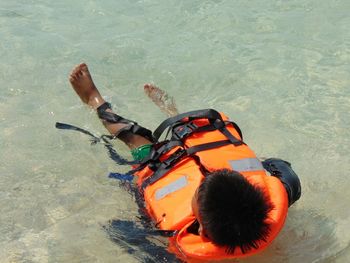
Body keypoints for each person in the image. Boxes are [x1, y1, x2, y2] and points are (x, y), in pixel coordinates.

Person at [68, 63, 301, 261]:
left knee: (136, 141)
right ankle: (171, 110)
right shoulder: (285, 190)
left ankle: (93, 99)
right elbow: (281, 167)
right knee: (195, 136)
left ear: (201, 230)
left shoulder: (180, 251)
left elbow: (127, 235)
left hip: (164, 166)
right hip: (199, 157)